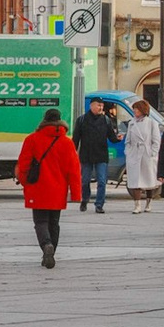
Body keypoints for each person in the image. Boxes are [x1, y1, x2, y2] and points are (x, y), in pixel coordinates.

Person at [15, 109, 83, 269]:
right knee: (54, 223)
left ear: (44, 120)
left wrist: (25, 182)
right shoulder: (67, 143)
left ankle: (46, 246)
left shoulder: (32, 139)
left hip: (37, 187)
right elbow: (74, 170)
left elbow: (23, 164)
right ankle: (51, 252)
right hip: (58, 189)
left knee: (40, 222)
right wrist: (76, 193)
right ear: (60, 122)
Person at [74, 100, 116, 215]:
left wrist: (118, 138)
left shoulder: (106, 120)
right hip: (86, 155)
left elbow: (111, 136)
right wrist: (73, 151)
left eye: (102, 106)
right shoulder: (82, 120)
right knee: (85, 180)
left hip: (101, 155)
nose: (101, 107)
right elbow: (76, 138)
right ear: (91, 106)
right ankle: (85, 199)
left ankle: (99, 204)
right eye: (98, 105)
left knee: (102, 181)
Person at [124, 99, 163, 214]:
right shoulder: (132, 123)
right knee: (135, 180)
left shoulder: (151, 123)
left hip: (147, 154)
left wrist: (153, 153)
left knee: (149, 180)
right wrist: (128, 152)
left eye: (137, 109)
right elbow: (128, 140)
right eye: (134, 109)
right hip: (134, 154)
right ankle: (137, 205)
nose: (135, 111)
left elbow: (156, 140)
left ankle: (149, 202)